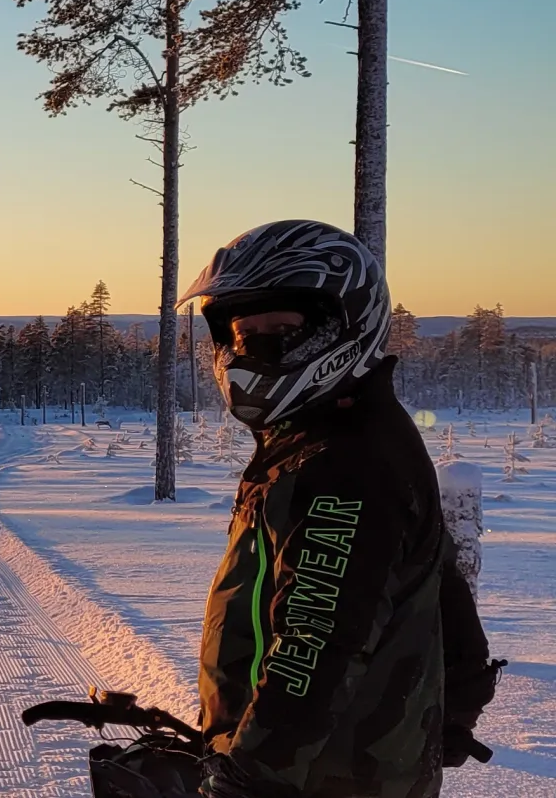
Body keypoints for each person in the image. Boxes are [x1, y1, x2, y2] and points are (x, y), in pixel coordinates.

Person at [179, 220, 499, 798]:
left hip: (322, 776)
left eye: (281, 330)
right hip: (344, 760)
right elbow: (438, 579)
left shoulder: (344, 462)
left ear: (342, 326)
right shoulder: (336, 432)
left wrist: (250, 774)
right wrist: (459, 697)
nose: (253, 349)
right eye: (242, 332)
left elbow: (316, 641)